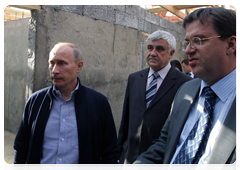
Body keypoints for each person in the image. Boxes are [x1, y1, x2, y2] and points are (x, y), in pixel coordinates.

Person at [124, 7, 238, 170]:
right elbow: (166, 142)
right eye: (187, 42)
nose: (188, 50)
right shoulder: (187, 91)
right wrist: (138, 167)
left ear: (231, 44)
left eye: (198, 40)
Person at [12, 42, 119, 170]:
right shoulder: (35, 101)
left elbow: (109, 152)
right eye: (52, 63)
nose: (55, 70)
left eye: (62, 63)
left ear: (79, 66)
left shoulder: (98, 103)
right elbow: (21, 147)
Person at [118, 30, 191, 169]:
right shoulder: (134, 78)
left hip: (160, 161)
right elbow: (125, 120)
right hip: (129, 158)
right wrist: (119, 155)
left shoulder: (185, 83)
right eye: (150, 48)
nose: (152, 53)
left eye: (160, 49)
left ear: (171, 53)